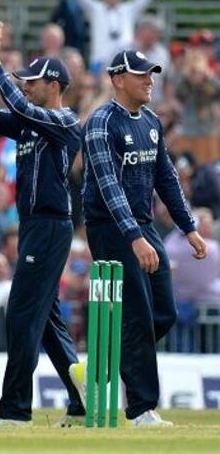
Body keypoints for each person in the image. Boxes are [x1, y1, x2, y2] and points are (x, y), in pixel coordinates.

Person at [0, 23, 85, 427]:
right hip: (35, 227)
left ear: (53, 84)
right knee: (44, 318)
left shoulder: (65, 121)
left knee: (21, 314)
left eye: (31, 81)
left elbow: (20, 106)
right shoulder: (28, 122)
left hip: (51, 226)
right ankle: (84, 396)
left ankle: (15, 411)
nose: (26, 86)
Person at [78, 49, 208, 426]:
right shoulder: (101, 122)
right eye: (140, 74)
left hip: (142, 227)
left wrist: (188, 228)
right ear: (118, 80)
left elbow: (166, 178)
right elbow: (108, 185)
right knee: (136, 316)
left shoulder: (150, 120)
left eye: (150, 73)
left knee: (163, 312)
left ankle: (97, 367)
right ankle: (140, 410)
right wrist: (134, 236)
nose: (149, 79)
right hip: (112, 228)